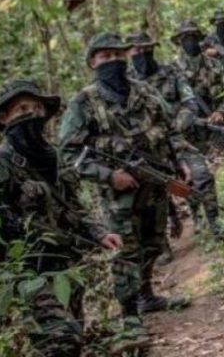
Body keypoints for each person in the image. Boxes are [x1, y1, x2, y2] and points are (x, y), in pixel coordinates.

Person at [58, 32, 192, 348]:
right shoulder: (83, 103)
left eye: (118, 55)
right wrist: (109, 175)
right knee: (126, 254)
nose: (114, 61)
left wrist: (182, 160)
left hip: (155, 185)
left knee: (153, 244)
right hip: (118, 197)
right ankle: (130, 318)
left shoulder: (144, 92)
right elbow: (68, 153)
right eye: (105, 57)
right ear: (92, 62)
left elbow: (170, 130)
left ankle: (146, 296)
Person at [0, 78, 123, 356]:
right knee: (60, 340)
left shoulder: (54, 158)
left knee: (74, 333)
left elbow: (74, 207)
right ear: (4, 117)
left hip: (65, 264)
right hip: (26, 271)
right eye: (22, 109)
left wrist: (99, 233)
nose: (32, 114)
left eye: (37, 108)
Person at [127, 31, 224, 240]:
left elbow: (190, 103)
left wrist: (175, 127)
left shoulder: (171, 73)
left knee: (201, 176)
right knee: (150, 192)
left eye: (147, 49)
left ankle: (215, 225)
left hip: (179, 139)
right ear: (129, 53)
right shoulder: (126, 83)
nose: (142, 53)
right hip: (147, 148)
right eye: (137, 50)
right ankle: (168, 228)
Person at [172, 20, 224, 200]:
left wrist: (221, 112)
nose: (189, 41)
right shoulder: (172, 72)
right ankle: (200, 210)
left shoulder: (213, 65)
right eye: (185, 38)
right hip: (189, 132)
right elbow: (169, 108)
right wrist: (189, 120)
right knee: (193, 174)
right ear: (179, 41)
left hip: (214, 123)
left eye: (193, 36)